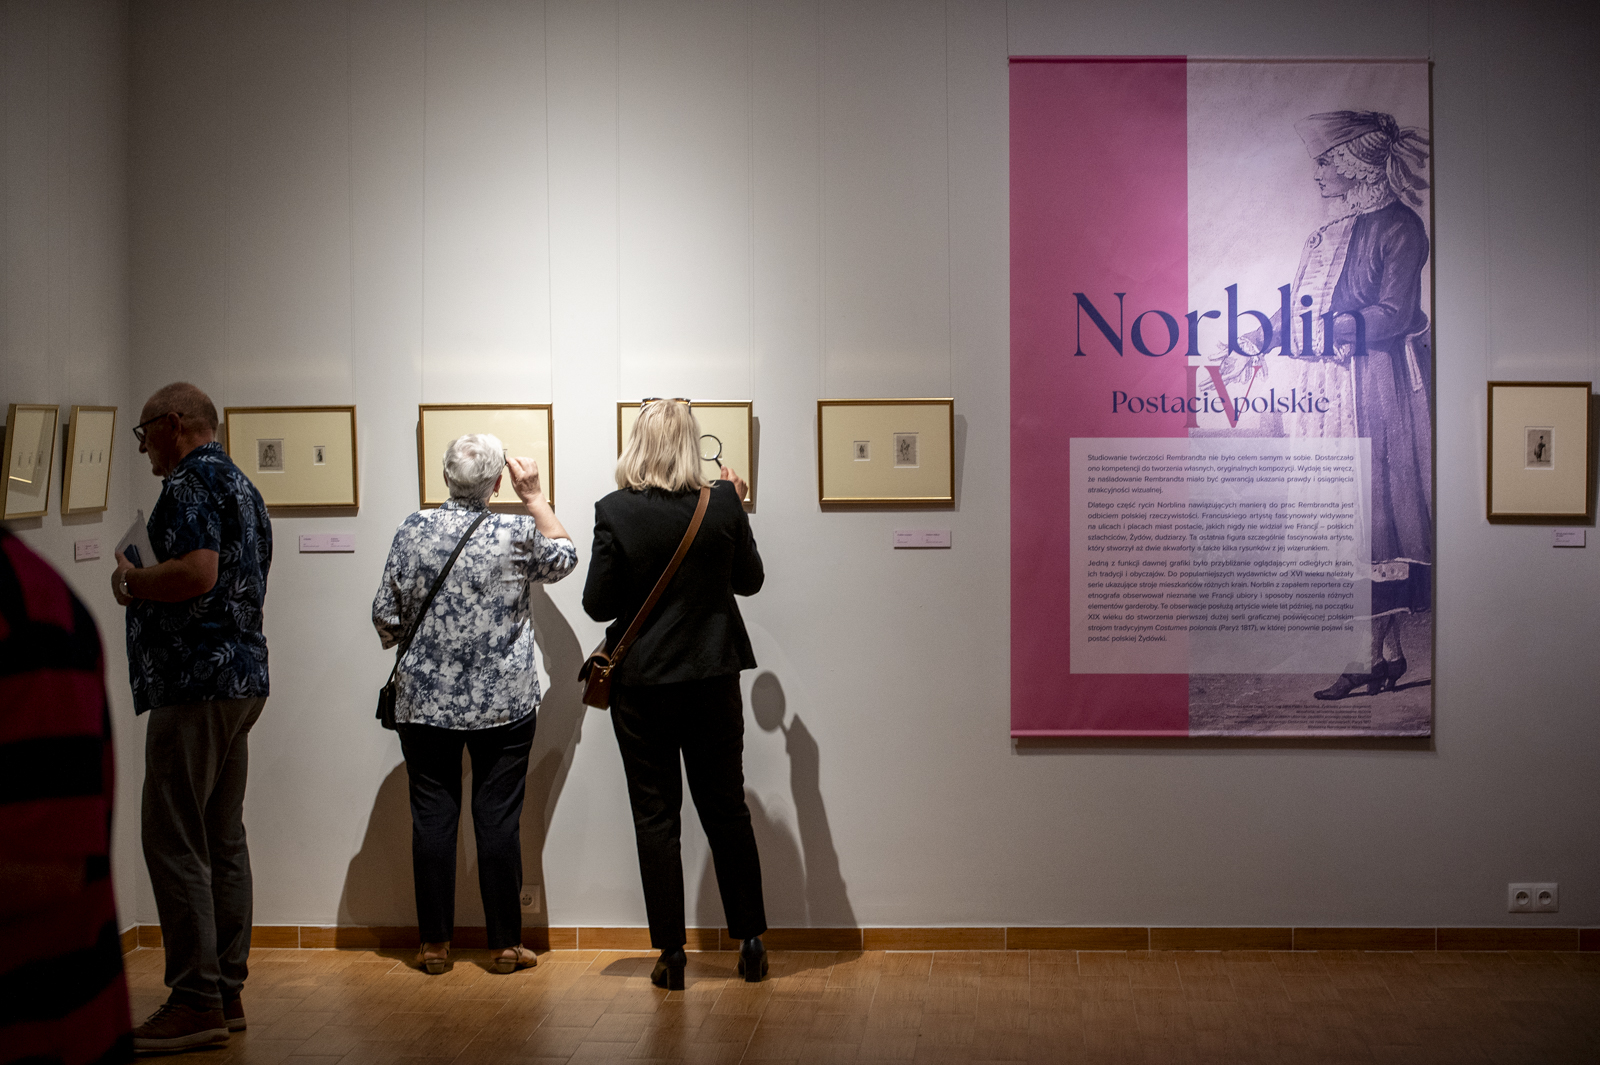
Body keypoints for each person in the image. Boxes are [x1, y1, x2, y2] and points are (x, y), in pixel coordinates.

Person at [372, 435, 576, 975]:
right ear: (496, 483)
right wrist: (534, 497)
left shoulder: (412, 529)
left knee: (432, 819)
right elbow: (565, 557)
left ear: (446, 477)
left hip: (425, 703)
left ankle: (434, 946)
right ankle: (505, 945)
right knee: (498, 820)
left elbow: (385, 618)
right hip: (503, 703)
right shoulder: (515, 532)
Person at [583, 398, 768, 990]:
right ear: (691, 444)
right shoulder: (722, 502)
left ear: (637, 444)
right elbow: (750, 582)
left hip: (643, 687)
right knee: (726, 808)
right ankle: (752, 943)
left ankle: (671, 954)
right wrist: (736, 505)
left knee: (656, 816)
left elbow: (598, 605)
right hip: (713, 678)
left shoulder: (614, 510)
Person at [111, 382, 272, 1051]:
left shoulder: (188, 483)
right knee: (220, 836)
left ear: (173, 424)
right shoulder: (242, 485)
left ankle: (195, 999)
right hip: (239, 680)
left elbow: (199, 572)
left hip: (194, 683)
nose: (142, 446)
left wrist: (131, 579)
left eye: (144, 431)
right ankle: (225, 989)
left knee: (172, 836)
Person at [0, 529, 133, 1065]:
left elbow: (47, 869)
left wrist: (134, 580)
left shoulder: (26, 610)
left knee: (186, 842)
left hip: (42, 1030)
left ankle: (202, 998)